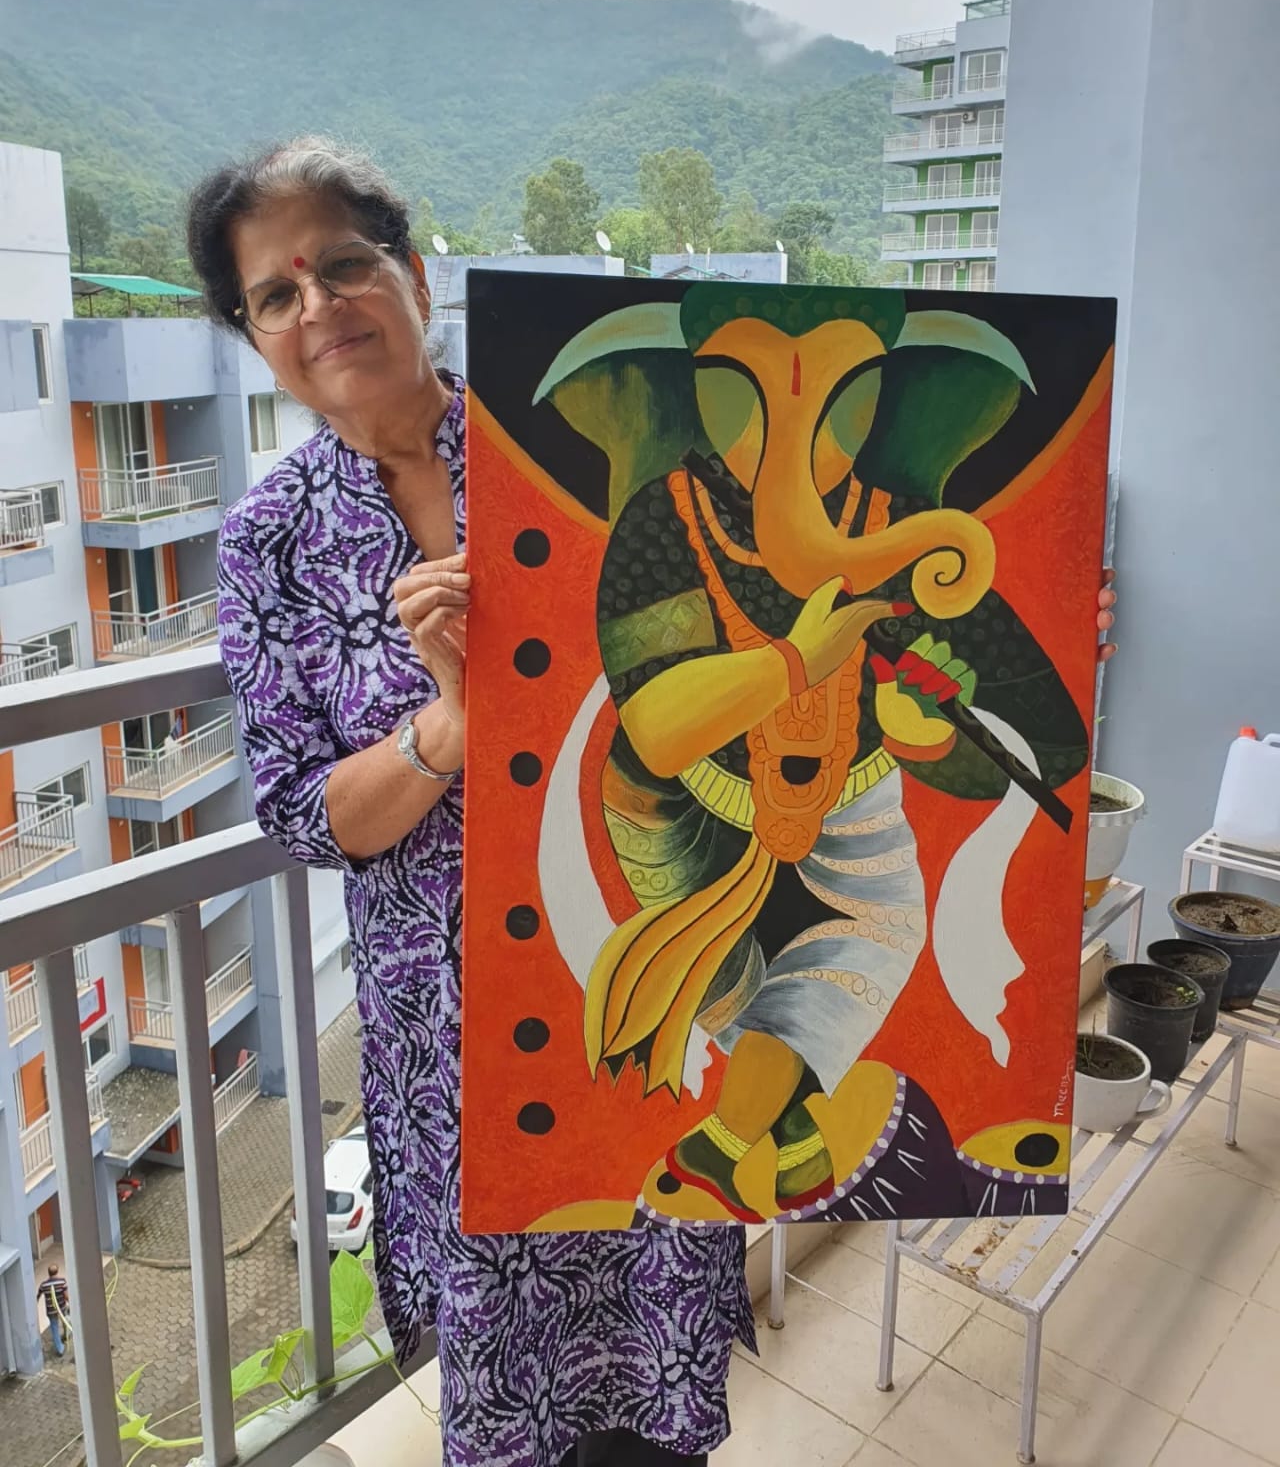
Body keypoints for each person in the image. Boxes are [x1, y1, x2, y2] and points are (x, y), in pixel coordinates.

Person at [191, 136, 1117, 1467]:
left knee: (655, 1368)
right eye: (273, 294)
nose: (317, 308)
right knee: (504, 1381)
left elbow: (839, 600)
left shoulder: (581, 462)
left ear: (411, 273)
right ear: (252, 334)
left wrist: (1041, 586)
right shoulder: (270, 538)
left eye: (342, 264)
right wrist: (449, 731)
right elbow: (300, 813)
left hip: (659, 965)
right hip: (451, 1044)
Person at [38, 1265, 70, 1358]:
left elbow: (38, 1294)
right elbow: (66, 1296)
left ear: (49, 1273)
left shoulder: (43, 1285)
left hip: (51, 1310)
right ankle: (65, 1335)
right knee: (65, 1322)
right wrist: (70, 1302)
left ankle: (60, 1349)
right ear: (57, 1272)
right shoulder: (62, 1281)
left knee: (54, 1328)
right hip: (61, 1307)